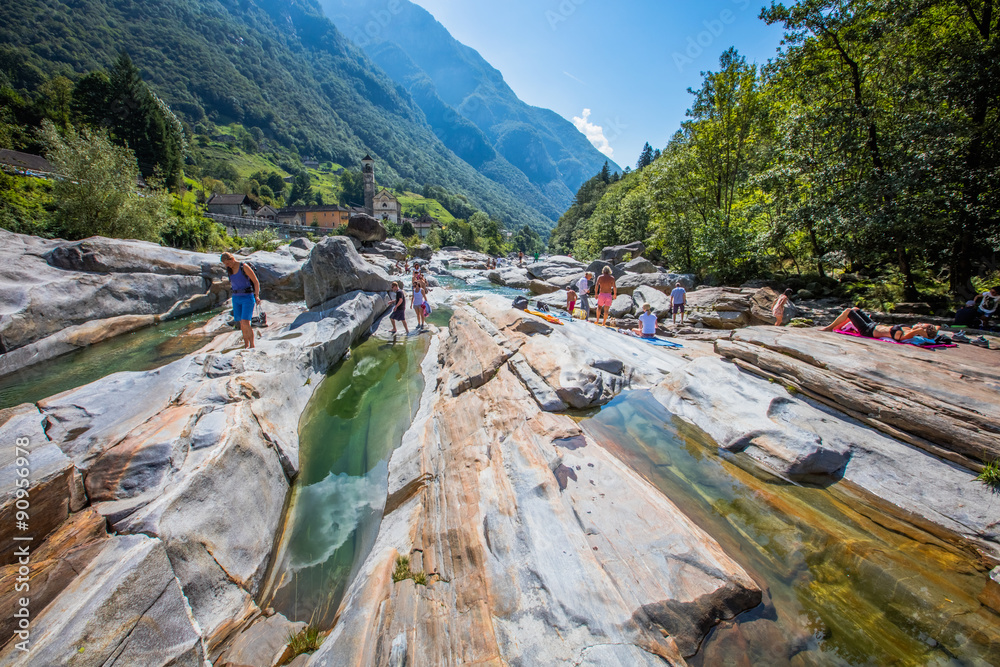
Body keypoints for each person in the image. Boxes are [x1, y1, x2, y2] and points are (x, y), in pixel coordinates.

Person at [820, 307, 937, 341]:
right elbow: (937, 328)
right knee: (855, 309)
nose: (919, 323)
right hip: (873, 324)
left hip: (867, 330)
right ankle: (838, 327)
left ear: (921, 331)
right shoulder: (907, 328)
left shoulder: (908, 334)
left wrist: (922, 331)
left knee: (848, 311)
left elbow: (909, 335)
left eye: (921, 325)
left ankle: (829, 328)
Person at [220, 252, 260, 350]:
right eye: (225, 264)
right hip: (236, 298)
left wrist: (257, 295)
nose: (226, 265)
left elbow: (255, 281)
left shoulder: (244, 267)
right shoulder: (229, 270)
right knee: (241, 323)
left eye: (227, 263)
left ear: (232, 259)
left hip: (247, 297)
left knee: (246, 322)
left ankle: (252, 345)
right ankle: (246, 345)